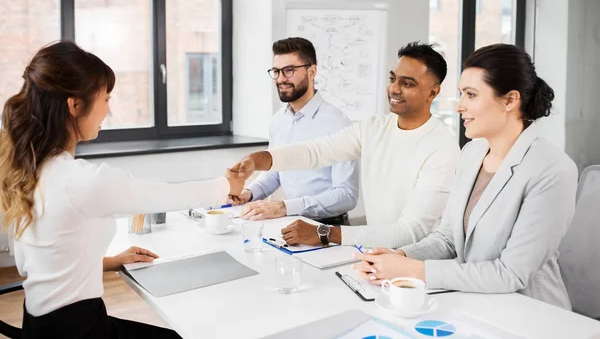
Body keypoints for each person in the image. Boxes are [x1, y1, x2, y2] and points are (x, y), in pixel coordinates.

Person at [0, 41, 245, 338]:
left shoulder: (27, 169)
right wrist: (226, 185)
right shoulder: (81, 180)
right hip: (79, 330)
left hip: (41, 325)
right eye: (105, 99)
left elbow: (40, 260)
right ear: (75, 105)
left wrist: (108, 263)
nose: (108, 110)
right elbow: (165, 196)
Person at [353, 43, 578, 310]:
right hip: (470, 300)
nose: (459, 106)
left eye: (471, 95)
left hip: (529, 311)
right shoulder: (472, 153)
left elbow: (510, 273)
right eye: (461, 94)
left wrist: (414, 270)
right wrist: (400, 255)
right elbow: (448, 238)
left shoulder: (552, 169)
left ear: (510, 100)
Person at [229, 42, 459, 248]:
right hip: (378, 252)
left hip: (419, 266)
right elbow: (316, 152)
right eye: (392, 79)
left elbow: (411, 232)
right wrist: (259, 159)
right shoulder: (373, 127)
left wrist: (323, 233)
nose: (394, 89)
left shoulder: (441, 146)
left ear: (433, 92)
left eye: (407, 83)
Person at [235, 37, 358, 226]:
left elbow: (347, 195)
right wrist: (248, 194)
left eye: (289, 70)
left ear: (312, 71)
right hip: (291, 222)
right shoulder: (278, 120)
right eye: (276, 71)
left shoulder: (337, 123)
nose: (281, 79)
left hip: (328, 227)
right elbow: (275, 173)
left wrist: (285, 207)